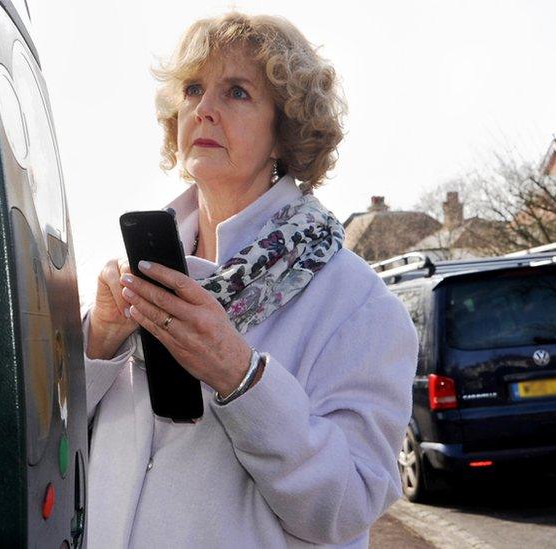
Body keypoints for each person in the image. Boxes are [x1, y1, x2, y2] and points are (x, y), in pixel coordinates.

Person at [81, 12, 418, 548]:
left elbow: (349, 505)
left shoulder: (359, 305)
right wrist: (97, 342)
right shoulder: (139, 274)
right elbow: (52, 448)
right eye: (193, 89)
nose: (204, 109)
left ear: (286, 131)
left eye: (237, 92)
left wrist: (240, 377)